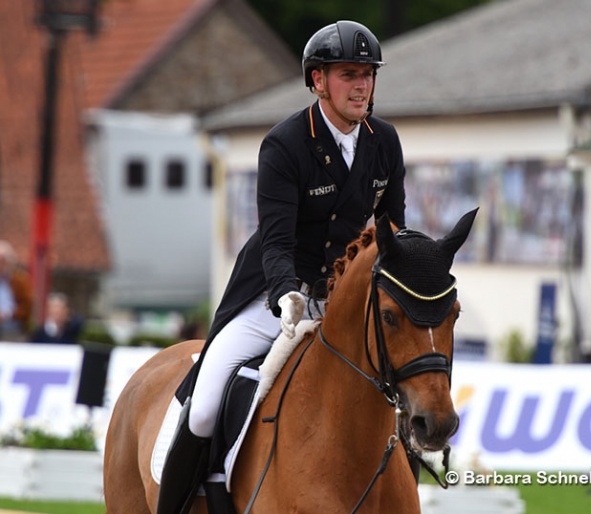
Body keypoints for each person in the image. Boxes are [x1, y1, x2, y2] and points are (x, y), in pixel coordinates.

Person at [156, 20, 407, 514]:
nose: (362, 85)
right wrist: (285, 293)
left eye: (368, 75)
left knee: (395, 395)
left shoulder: (385, 142)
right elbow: (275, 240)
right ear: (318, 80)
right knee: (205, 405)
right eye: (349, 74)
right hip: (276, 296)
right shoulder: (286, 143)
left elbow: (390, 235)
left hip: (345, 302)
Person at [0, 240, 32, 341]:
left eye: (3, 261)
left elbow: (27, 305)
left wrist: (8, 314)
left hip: (12, 324)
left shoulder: (20, 281)